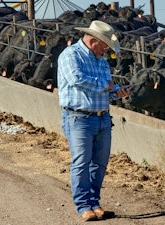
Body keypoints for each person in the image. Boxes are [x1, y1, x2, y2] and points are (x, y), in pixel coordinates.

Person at [57, 20, 130, 221]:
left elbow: (106, 90)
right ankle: (83, 206)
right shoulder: (71, 55)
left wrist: (117, 92)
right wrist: (107, 86)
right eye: (105, 45)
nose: (107, 50)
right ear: (92, 40)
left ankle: (94, 202)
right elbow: (76, 79)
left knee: (99, 163)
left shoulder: (103, 62)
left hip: (102, 117)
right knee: (81, 162)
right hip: (78, 117)